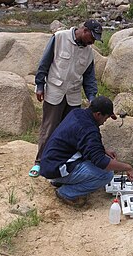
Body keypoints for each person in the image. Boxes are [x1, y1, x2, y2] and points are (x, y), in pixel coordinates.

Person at [29, 19, 103, 178]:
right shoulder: (59, 37)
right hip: (55, 91)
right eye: (92, 37)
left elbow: (89, 78)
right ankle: (40, 162)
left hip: (73, 96)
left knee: (71, 131)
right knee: (49, 128)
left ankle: (65, 162)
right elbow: (45, 62)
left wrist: (92, 97)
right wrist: (40, 85)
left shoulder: (89, 52)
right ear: (85, 31)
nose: (93, 41)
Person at [40, 96, 133, 207]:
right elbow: (101, 162)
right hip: (57, 169)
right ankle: (66, 193)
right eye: (106, 118)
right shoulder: (89, 130)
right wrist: (128, 167)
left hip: (50, 163)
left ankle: (61, 181)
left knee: (104, 161)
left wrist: (102, 150)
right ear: (98, 114)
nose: (105, 122)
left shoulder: (77, 113)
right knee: (106, 175)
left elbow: (81, 141)